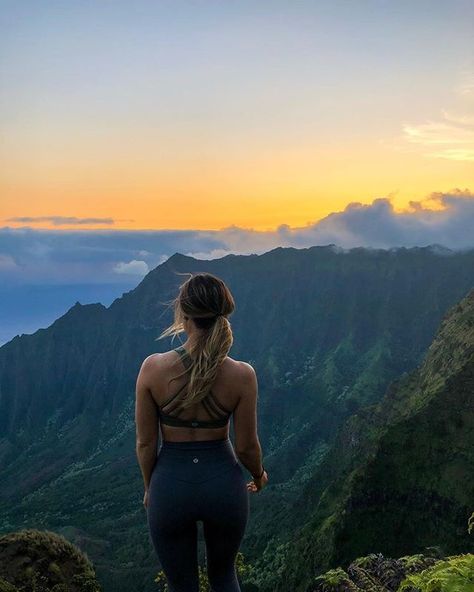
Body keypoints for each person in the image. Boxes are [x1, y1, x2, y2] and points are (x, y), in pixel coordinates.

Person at [135, 271, 268, 592]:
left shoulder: (153, 369)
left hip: (170, 487)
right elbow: (247, 446)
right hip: (223, 485)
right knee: (224, 576)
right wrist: (259, 475)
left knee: (181, 585)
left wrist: (151, 486)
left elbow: (145, 442)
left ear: (182, 313)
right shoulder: (242, 375)